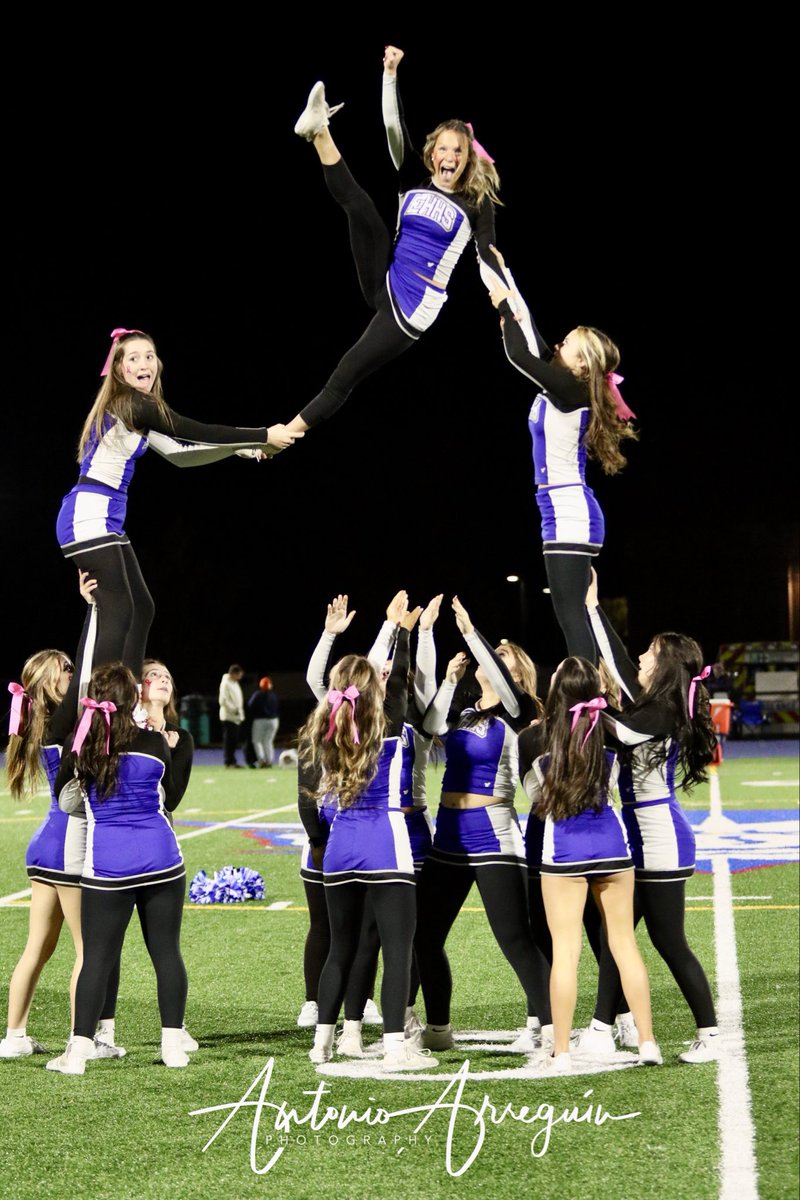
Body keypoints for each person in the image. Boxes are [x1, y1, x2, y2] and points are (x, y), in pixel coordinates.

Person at [285, 45, 505, 437]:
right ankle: (317, 130)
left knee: (347, 370)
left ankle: (284, 435)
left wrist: (505, 298)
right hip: (383, 279)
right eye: (443, 148)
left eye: (459, 150)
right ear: (432, 153)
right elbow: (393, 126)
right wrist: (390, 74)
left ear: (468, 159)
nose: (450, 156)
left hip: (411, 305)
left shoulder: (475, 204)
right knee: (364, 209)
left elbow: (487, 255)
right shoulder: (412, 182)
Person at [56, 328, 301, 674]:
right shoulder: (131, 402)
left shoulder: (138, 411)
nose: (144, 363)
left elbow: (181, 454)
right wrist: (262, 435)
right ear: (120, 370)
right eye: (134, 357)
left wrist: (245, 450)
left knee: (141, 607)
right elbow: (191, 429)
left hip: (102, 518)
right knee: (122, 609)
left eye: (150, 356)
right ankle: (100, 706)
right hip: (88, 514)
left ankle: (124, 698)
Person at [584, 571, 720, 1063]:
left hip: (659, 840)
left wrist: (579, 704)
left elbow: (615, 731)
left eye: (649, 652)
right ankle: (602, 1027)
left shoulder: (661, 713)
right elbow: (619, 665)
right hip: (641, 838)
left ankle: (709, 1033)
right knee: (613, 932)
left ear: (663, 667)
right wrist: (594, 609)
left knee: (666, 939)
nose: (639, 657)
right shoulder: (654, 703)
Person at [299, 599, 437, 1071]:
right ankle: (396, 1046)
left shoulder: (327, 728)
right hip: (384, 839)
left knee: (341, 948)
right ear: (374, 688)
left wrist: (389, 627)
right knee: (397, 949)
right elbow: (396, 675)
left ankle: (322, 1042)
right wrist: (399, 631)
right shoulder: (390, 724)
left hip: (339, 846)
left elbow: (372, 679)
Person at [413, 597, 552, 1053]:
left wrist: (472, 630)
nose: (495, 655)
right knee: (425, 935)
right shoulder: (468, 711)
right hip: (448, 834)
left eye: (505, 654)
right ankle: (437, 1027)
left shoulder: (521, 709)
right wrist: (450, 681)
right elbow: (430, 724)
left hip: (494, 834)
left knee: (515, 939)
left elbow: (508, 690)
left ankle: (552, 1026)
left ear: (516, 672)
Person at [485, 250, 637, 662]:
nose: (559, 342)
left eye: (568, 343)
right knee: (576, 616)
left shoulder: (570, 391)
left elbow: (519, 354)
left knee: (572, 617)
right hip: (561, 508)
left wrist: (502, 304)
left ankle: (588, 704)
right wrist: (504, 273)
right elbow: (529, 331)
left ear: (583, 366)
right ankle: (598, 698)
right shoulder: (562, 386)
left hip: (569, 510)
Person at [46, 661, 194, 1075]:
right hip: (162, 858)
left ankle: (77, 1053)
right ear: (133, 699)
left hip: (107, 866)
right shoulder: (155, 742)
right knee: (166, 953)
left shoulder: (84, 748)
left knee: (97, 959)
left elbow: (65, 802)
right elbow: (165, 795)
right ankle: (172, 1045)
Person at [0, 573, 122, 1061]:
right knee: (88, 951)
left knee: (38, 949)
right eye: (65, 670)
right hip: (69, 842)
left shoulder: (39, 725)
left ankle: (13, 1036)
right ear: (51, 684)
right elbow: (93, 664)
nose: (74, 674)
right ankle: (84, 1040)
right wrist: (92, 612)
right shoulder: (64, 720)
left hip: (44, 843)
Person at [522, 655, 661, 1072]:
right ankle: (648, 1042)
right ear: (595, 690)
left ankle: (561, 1052)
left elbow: (534, 800)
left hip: (563, 848)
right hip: (612, 846)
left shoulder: (532, 738)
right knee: (624, 945)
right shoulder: (612, 728)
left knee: (566, 952)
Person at [248, 676, 280, 768]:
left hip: (260, 720)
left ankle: (261, 760)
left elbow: (250, 705)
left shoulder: (257, 694)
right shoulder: (273, 695)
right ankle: (269, 761)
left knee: (257, 741)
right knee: (268, 741)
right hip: (274, 720)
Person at [218, 664, 245, 768]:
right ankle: (228, 762)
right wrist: (234, 710)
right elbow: (223, 700)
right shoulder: (225, 683)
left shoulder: (234, 683)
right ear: (234, 673)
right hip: (229, 716)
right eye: (239, 674)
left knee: (234, 741)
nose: (241, 676)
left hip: (236, 717)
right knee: (229, 740)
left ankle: (232, 761)